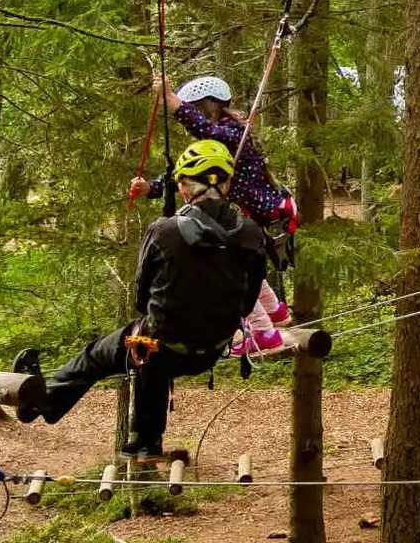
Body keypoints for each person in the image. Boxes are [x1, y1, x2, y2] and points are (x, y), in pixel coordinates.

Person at [16, 140, 269, 459]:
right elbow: (247, 303)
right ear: (227, 184)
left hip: (160, 349)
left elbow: (141, 298)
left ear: (183, 187)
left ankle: (45, 403)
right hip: (211, 350)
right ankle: (146, 441)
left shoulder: (163, 231)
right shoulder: (251, 234)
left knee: (108, 352)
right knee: (151, 344)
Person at [129, 73, 293, 356]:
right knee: (239, 260)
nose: (190, 121)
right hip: (249, 212)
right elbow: (194, 173)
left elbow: (206, 130)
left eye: (194, 109)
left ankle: (263, 332)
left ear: (209, 106)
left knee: (231, 267)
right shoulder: (219, 139)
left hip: (257, 212)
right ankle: (274, 310)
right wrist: (151, 187)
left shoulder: (233, 132)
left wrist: (172, 101)